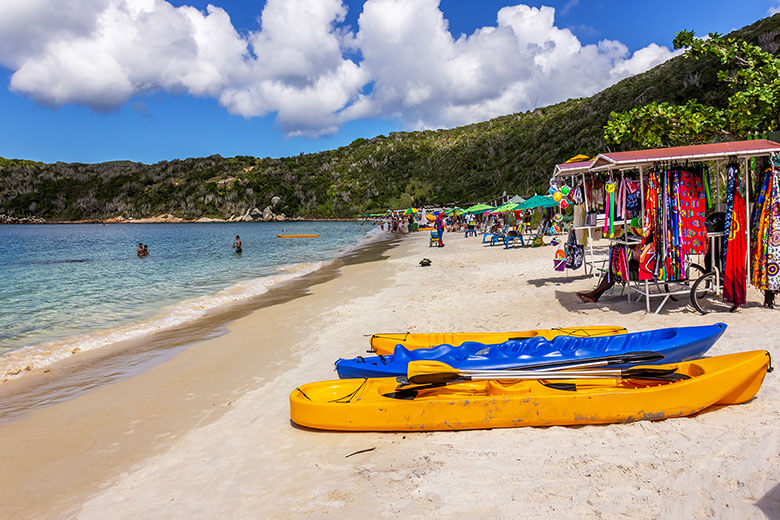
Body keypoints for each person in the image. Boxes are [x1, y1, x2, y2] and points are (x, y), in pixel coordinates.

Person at [576, 241, 644, 303]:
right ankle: (594, 295)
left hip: (643, 270)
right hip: (639, 265)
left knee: (614, 271)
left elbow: (640, 260)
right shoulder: (638, 247)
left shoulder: (642, 247)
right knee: (614, 270)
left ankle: (594, 295)